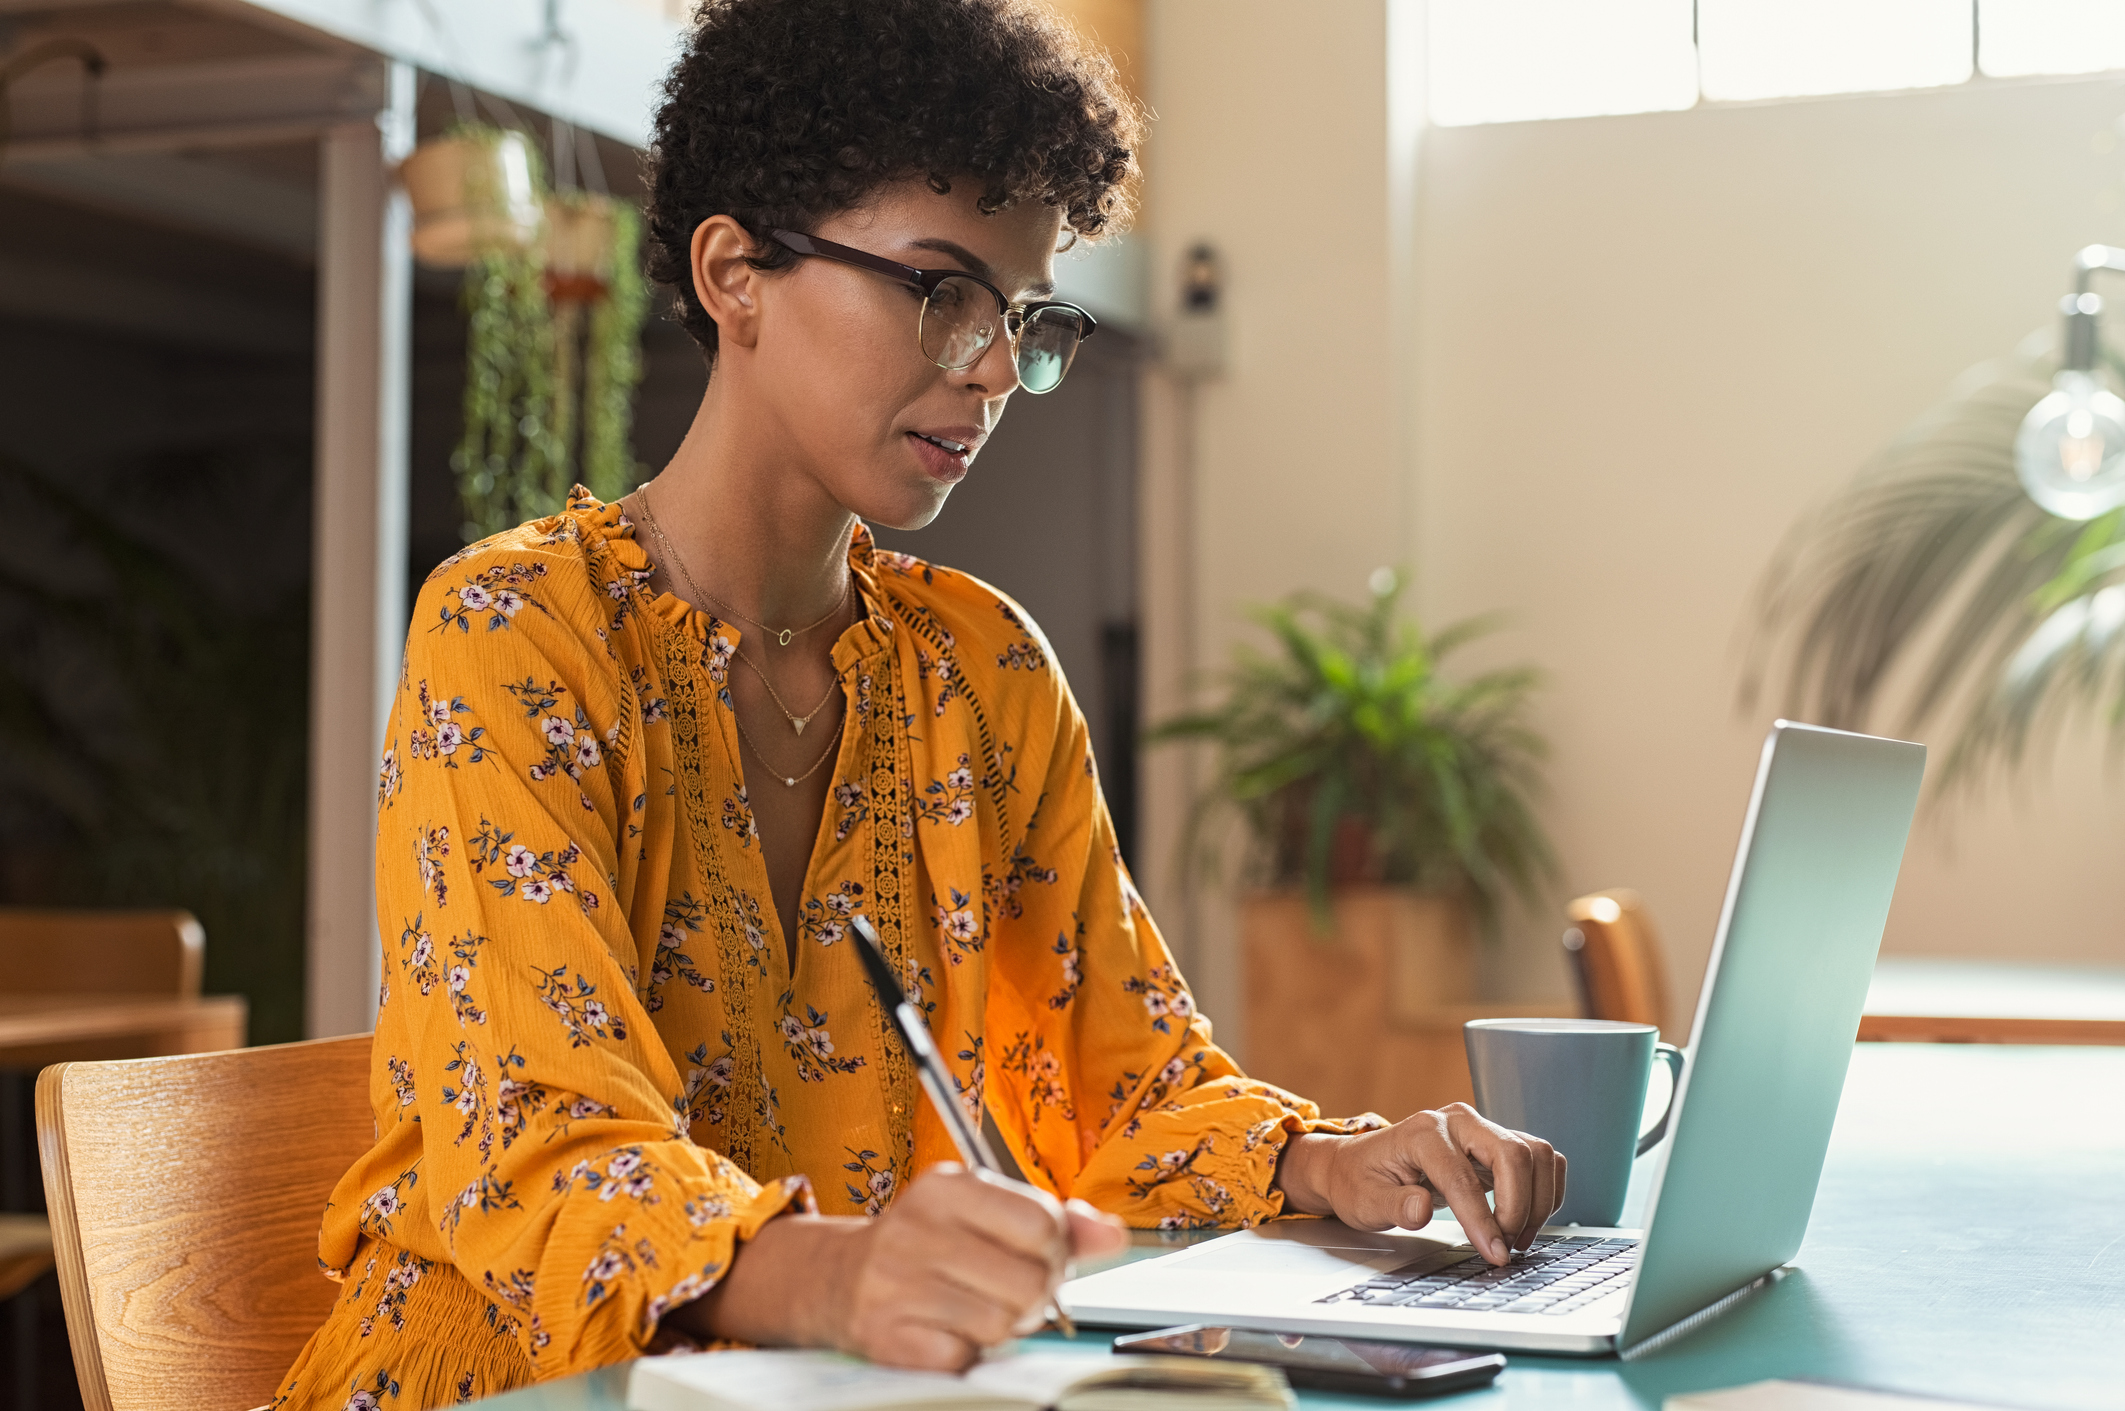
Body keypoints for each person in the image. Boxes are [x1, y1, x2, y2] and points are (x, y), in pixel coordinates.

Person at [272, 2, 1564, 1406]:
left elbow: (1124, 1084)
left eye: (1022, 316)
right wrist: (843, 1277)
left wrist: (1331, 1161)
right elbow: (538, 1137)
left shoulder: (983, 668)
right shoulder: (514, 635)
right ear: (734, 273)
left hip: (841, 1385)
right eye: (942, 292)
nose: (997, 367)